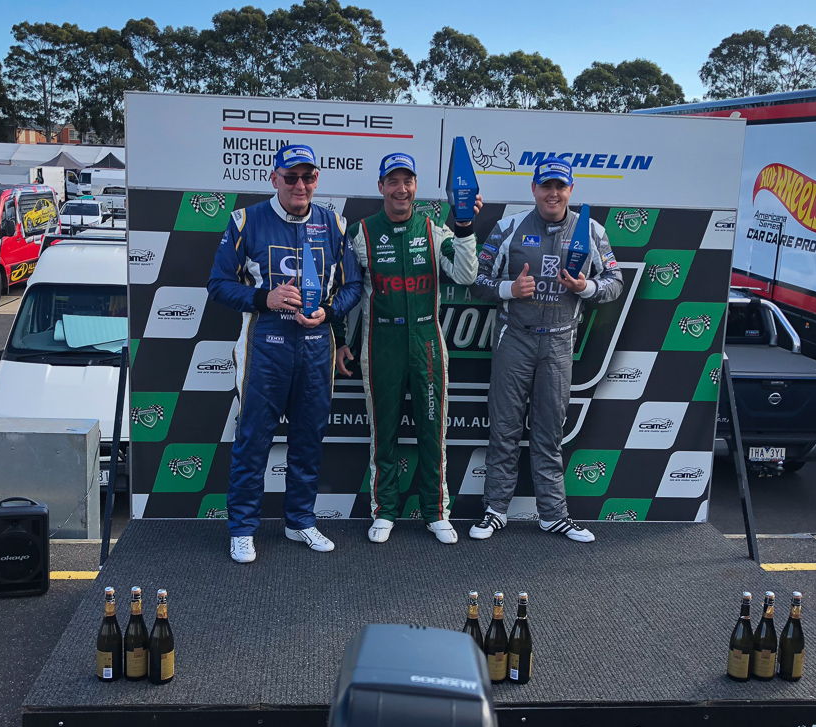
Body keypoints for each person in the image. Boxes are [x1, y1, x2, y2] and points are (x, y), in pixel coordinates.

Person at [208, 144, 362, 564]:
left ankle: (300, 521)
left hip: (315, 348)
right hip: (265, 346)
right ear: (273, 178)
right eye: (290, 177)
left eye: (308, 177)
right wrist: (265, 298)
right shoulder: (246, 221)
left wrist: (328, 313)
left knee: (308, 440)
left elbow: (352, 287)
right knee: (253, 440)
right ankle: (242, 528)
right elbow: (218, 284)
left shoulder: (334, 224)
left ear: (316, 180)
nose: (300, 185)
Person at [470, 158, 622, 542]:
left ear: (571, 190)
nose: (553, 194)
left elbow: (615, 281)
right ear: (533, 189)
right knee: (504, 427)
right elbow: (477, 279)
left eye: (560, 187)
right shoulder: (509, 226)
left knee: (549, 431)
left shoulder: (590, 229)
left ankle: (553, 514)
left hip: (558, 340)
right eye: (546, 186)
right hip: (514, 337)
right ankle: (494, 510)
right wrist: (509, 289)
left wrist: (586, 289)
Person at [336, 153, 481, 545]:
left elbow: (467, 274)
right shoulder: (360, 233)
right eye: (393, 181)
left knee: (433, 431)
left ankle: (436, 512)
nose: (401, 189)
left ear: (416, 186)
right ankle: (385, 511)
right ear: (381, 186)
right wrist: (342, 342)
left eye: (408, 181)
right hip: (380, 342)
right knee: (383, 432)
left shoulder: (434, 231)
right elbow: (346, 292)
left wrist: (464, 224)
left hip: (426, 343)